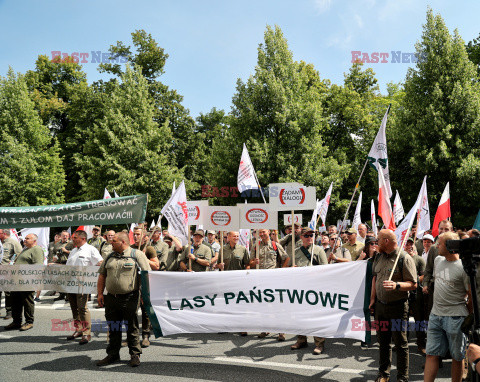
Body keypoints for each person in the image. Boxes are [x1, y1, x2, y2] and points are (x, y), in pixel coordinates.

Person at [96, 232, 151, 367]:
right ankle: (113, 354)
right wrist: (100, 294)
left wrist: (146, 295)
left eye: (114, 241)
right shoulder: (110, 256)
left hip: (130, 297)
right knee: (113, 326)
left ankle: (135, 355)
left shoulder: (136, 255)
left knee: (131, 327)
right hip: (111, 298)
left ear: (123, 242)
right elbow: (102, 276)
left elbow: (147, 275)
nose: (111, 243)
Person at [423, 231, 472, 382]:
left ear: (450, 246)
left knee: (457, 357)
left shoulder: (464, 268)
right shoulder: (438, 260)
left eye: (439, 243)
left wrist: (467, 318)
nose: (436, 246)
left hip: (456, 318)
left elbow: (471, 296)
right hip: (435, 315)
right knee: (431, 354)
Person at [369, 229, 417, 382]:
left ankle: (403, 377)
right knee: (383, 342)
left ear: (386, 241)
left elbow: (413, 284)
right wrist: (372, 300)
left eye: (378, 240)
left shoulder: (404, 258)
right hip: (380, 307)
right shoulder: (378, 256)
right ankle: (384, 374)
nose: (376, 243)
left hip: (397, 307)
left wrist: (396, 285)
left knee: (400, 344)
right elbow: (375, 279)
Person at [290, 227, 328, 354]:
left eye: (311, 235)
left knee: (316, 316)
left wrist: (315, 273)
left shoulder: (319, 250)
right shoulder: (295, 252)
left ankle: (319, 343)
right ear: (301, 237)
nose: (309, 238)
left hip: (315, 288)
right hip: (300, 288)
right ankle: (301, 339)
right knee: (299, 315)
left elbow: (326, 270)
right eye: (306, 236)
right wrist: (292, 268)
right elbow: (291, 269)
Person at [250, 228, 289, 340]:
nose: (262, 234)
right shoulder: (255, 246)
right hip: (261, 279)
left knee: (277, 305)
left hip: (274, 279)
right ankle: (265, 328)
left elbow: (286, 258)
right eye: (260, 232)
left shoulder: (275, 245)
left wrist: (281, 270)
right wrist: (254, 262)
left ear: (268, 232)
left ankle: (281, 331)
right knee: (264, 305)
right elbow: (250, 263)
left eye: (264, 232)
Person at [65, 230, 103, 344]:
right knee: (74, 308)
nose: (73, 239)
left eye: (75, 238)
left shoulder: (91, 249)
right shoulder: (73, 251)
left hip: (83, 284)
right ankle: (79, 329)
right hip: (71, 283)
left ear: (83, 239)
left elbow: (101, 262)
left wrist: (92, 275)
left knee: (82, 308)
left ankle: (86, 333)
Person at [4, 234, 44, 331]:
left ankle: (29, 322)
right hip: (17, 280)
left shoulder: (37, 250)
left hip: (26, 280)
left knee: (27, 302)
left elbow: (37, 266)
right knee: (15, 301)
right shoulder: (25, 249)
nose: (25, 240)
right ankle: (16, 322)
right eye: (25, 238)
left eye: (27, 238)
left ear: (34, 241)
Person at [131, 227, 159, 348]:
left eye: (138, 234)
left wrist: (144, 258)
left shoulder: (149, 248)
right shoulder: (130, 248)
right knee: (131, 310)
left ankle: (146, 336)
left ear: (144, 236)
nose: (136, 236)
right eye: (134, 234)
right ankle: (132, 336)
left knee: (146, 309)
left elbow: (156, 265)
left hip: (146, 283)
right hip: (132, 283)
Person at [404, 236, 427, 356]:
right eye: (407, 245)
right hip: (404, 293)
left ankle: (421, 344)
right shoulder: (401, 259)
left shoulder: (419, 259)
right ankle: (403, 344)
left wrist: (415, 280)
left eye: (411, 244)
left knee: (419, 319)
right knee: (404, 319)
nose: (410, 246)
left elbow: (424, 275)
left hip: (417, 294)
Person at [0, 229, 22, 320]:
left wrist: (13, 263)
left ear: (4, 234)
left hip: (7, 270)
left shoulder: (13, 242)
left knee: (8, 292)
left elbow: (20, 254)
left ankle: (9, 311)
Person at [52, 230, 74, 301]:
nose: (65, 237)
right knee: (60, 280)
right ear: (61, 236)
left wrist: (66, 251)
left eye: (66, 235)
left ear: (68, 236)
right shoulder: (57, 244)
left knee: (68, 280)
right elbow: (54, 252)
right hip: (60, 263)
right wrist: (54, 257)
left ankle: (68, 295)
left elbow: (75, 253)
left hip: (68, 263)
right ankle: (61, 294)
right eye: (63, 235)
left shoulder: (71, 244)